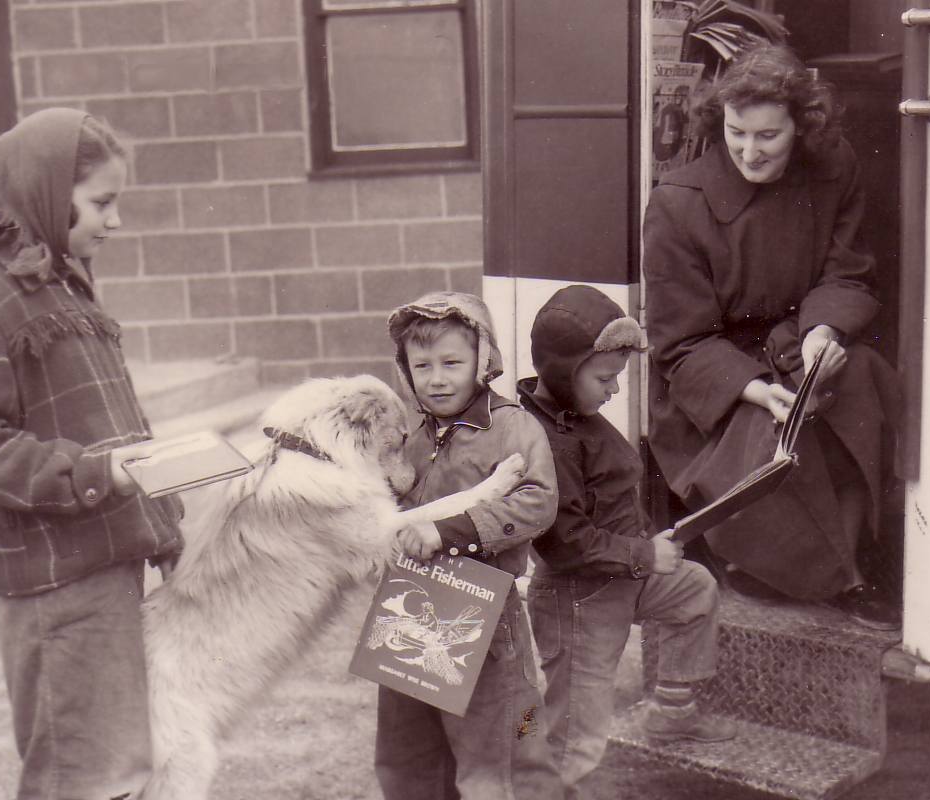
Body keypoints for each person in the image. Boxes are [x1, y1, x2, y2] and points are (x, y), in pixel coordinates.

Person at [0, 108, 184, 800]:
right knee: (76, 774)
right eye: (102, 203)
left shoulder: (61, 284)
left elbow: (114, 419)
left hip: (100, 564)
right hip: (53, 587)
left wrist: (162, 515)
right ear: (43, 192)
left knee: (118, 764)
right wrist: (90, 473)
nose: (113, 222)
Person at [642, 42, 901, 630]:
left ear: (800, 129)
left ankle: (854, 564)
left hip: (796, 341)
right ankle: (781, 566)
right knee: (773, 431)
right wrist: (757, 389)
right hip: (714, 379)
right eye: (737, 132)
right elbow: (679, 344)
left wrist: (823, 332)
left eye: (768, 136)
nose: (749, 150)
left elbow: (849, 271)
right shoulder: (678, 203)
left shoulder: (836, 169)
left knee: (861, 380)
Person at [518, 285, 736, 799]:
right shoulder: (546, 440)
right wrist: (641, 554)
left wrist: (647, 542)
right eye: (605, 378)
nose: (614, 390)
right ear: (563, 371)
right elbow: (563, 541)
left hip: (620, 575)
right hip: (580, 599)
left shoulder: (580, 420)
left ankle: (671, 710)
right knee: (577, 731)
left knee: (693, 589)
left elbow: (610, 498)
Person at [378, 291, 564, 800]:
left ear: (482, 362)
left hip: (483, 611)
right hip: (412, 607)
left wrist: (450, 530)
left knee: (504, 746)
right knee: (408, 755)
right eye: (422, 366)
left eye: (452, 363)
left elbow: (538, 501)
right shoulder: (412, 437)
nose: (436, 378)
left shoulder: (510, 426)